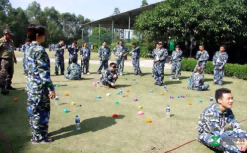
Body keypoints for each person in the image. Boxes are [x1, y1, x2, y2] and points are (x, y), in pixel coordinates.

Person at [26, 24, 56, 144]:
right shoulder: (39, 50)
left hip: (31, 85)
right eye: (43, 34)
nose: (45, 37)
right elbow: (44, 74)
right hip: (39, 87)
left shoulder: (27, 48)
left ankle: (36, 134)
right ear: (38, 35)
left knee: (34, 111)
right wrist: (51, 88)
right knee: (41, 112)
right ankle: (40, 137)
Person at [197, 88, 247, 153]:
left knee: (239, 136)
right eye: (228, 99)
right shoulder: (211, 113)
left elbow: (235, 124)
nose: (231, 101)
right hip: (208, 136)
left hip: (222, 133)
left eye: (232, 98)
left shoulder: (227, 110)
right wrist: (240, 142)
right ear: (219, 100)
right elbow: (219, 134)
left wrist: (244, 138)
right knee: (222, 141)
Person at [0, 29, 17, 95]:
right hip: (4, 59)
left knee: (11, 73)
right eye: (9, 35)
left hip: (10, 59)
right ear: (5, 34)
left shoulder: (11, 41)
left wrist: (14, 58)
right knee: (3, 74)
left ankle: (8, 85)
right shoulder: (1, 41)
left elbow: (12, 50)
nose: (10, 36)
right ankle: (3, 88)